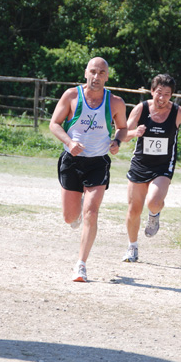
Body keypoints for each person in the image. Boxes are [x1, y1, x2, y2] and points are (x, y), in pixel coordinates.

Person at [49, 57, 127, 282]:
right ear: (86, 73)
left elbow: (122, 128)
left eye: (101, 72)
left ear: (107, 76)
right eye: (93, 71)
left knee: (91, 213)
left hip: (98, 162)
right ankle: (79, 206)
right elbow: (54, 123)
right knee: (70, 218)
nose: (97, 76)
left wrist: (117, 142)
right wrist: (69, 142)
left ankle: (81, 265)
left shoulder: (116, 102)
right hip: (72, 161)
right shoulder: (72, 96)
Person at [122, 73, 181, 262]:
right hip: (140, 163)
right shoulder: (141, 109)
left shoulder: (179, 112)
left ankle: (154, 214)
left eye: (167, 94)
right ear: (152, 91)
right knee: (133, 210)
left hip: (163, 165)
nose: (162, 98)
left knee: (153, 201)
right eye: (159, 93)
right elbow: (123, 133)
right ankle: (132, 248)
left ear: (172, 95)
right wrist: (134, 132)